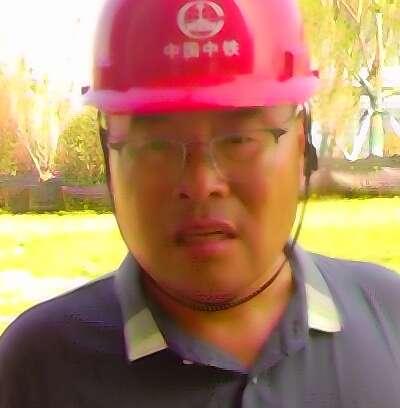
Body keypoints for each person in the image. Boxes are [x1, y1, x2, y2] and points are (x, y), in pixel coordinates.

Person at [1, 0, 400, 407]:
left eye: (239, 140)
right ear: (109, 155)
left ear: (301, 146)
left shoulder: (391, 319)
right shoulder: (36, 369)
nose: (200, 184)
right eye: (156, 145)